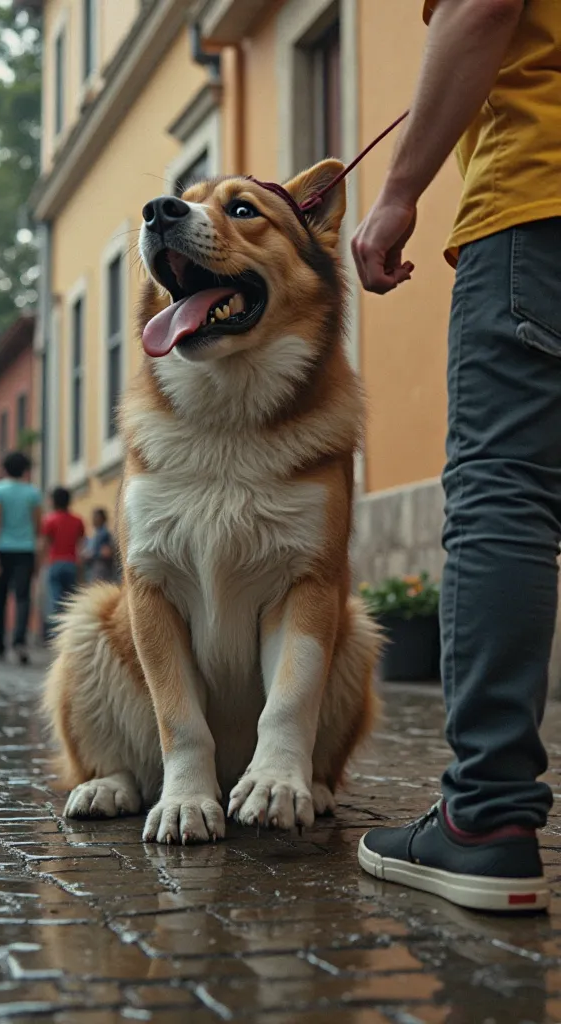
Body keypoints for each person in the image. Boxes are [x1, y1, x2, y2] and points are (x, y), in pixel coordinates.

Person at [352, 0, 561, 913]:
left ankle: (484, 819)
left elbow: (484, 7)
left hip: (538, 208)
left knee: (503, 498)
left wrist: (399, 189)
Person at [0, 451, 42, 664]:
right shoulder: (32, 493)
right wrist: (37, 555)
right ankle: (19, 640)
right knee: (22, 597)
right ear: (25, 470)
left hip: (2, 550)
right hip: (26, 551)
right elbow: (38, 527)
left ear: (5, 468)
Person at [41, 487, 86, 622]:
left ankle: (56, 634)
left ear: (53, 501)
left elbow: (45, 544)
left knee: (55, 599)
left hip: (55, 563)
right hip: (72, 563)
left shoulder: (49, 520)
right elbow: (81, 545)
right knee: (71, 600)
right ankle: (70, 630)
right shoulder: (78, 520)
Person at [84, 508, 115, 582]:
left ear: (103, 519)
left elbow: (107, 552)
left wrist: (92, 554)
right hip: (94, 568)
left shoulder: (104, 534)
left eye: (96, 517)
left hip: (101, 568)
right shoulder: (95, 533)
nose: (94, 519)